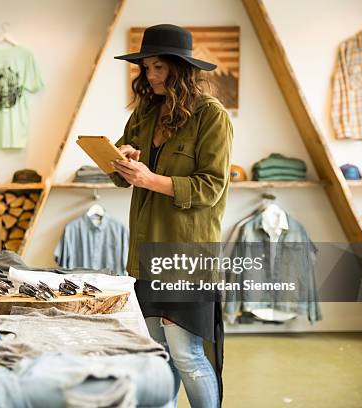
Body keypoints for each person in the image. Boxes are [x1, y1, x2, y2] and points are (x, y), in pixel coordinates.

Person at [111, 24, 233, 408]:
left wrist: (152, 179)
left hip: (186, 254)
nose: (151, 76)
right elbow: (121, 175)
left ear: (181, 69)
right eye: (147, 68)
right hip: (146, 252)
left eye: (159, 67)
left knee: (187, 355)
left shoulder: (211, 117)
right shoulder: (146, 112)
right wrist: (122, 159)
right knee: (157, 354)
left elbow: (211, 187)